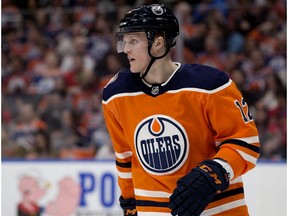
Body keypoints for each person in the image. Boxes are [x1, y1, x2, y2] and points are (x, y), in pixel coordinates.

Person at [102, 4, 260, 216]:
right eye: (125, 41)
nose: (126, 48)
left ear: (158, 43)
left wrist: (213, 173)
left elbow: (245, 143)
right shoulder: (116, 94)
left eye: (133, 41)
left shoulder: (210, 85)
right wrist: (130, 204)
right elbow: (125, 157)